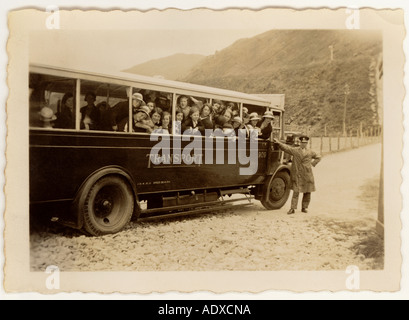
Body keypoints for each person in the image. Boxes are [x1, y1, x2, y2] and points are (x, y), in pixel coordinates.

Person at [273, 135, 322, 215]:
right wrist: (278, 143)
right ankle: (292, 208)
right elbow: (286, 148)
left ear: (307, 143)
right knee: (296, 191)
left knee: (307, 191)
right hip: (297, 174)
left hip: (307, 174)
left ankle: (304, 207)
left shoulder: (310, 152)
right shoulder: (295, 150)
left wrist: (312, 164)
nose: (304, 144)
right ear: (300, 143)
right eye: (302, 143)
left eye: (305, 143)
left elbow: (319, 157)